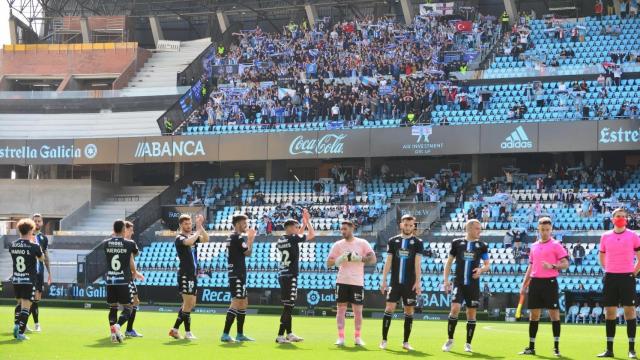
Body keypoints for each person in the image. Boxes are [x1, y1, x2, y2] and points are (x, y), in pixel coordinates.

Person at [518, 217, 569, 356]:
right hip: (535, 283)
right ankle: (531, 347)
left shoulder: (556, 245)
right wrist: (524, 284)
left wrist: (552, 266)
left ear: (551, 230)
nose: (545, 232)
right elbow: (531, 266)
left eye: (547, 230)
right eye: (542, 230)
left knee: (554, 315)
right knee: (533, 316)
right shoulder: (534, 246)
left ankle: (556, 348)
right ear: (538, 229)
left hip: (550, 282)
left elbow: (565, 264)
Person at [442, 219, 491, 353]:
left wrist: (481, 270)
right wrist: (446, 280)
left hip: (473, 285)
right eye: (477, 228)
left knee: (471, 313)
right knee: (455, 308)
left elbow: (487, 265)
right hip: (459, 283)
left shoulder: (482, 245)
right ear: (469, 229)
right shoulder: (457, 243)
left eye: (479, 228)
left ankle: (468, 344)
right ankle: (450, 339)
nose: (479, 231)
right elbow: (449, 262)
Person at [597, 208, 640, 358]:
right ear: (612, 218)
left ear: (627, 219)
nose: (621, 218)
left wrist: (632, 274)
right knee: (610, 313)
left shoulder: (633, 236)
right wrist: (608, 269)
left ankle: (631, 349)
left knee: (629, 312)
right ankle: (609, 349)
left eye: (623, 216)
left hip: (627, 278)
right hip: (611, 277)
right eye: (618, 216)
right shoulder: (605, 236)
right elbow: (601, 256)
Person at [327, 220, 376, 346]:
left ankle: (357, 337)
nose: (343, 231)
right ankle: (341, 338)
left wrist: (360, 258)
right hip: (342, 281)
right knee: (341, 310)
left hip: (357, 282)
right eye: (341, 229)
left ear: (352, 228)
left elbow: (373, 259)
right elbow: (329, 263)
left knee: (358, 311)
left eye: (345, 229)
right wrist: (339, 259)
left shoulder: (362, 243)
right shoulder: (338, 245)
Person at [379, 215, 424, 351]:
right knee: (389, 309)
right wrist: (384, 280)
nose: (408, 227)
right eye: (406, 225)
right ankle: (384, 340)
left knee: (409, 311)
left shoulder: (418, 242)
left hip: (409, 284)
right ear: (401, 225)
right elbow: (388, 261)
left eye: (411, 225)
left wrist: (418, 282)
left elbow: (417, 263)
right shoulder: (393, 241)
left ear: (414, 226)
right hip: (395, 283)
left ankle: (405, 342)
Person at [275, 210, 315, 344]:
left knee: (288, 305)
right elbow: (311, 235)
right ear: (290, 228)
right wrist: (307, 222)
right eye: (296, 227)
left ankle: (289, 334)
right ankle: (280, 335)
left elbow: (297, 236)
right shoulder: (292, 238)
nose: (298, 229)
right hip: (290, 275)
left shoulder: (281, 239)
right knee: (288, 306)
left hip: (283, 274)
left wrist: (302, 224)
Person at [169, 214, 209, 340]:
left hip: (193, 274)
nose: (188, 225)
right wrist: (197, 231)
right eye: (186, 224)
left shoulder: (192, 236)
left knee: (190, 304)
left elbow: (206, 239)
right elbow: (189, 241)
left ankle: (176, 330)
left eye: (190, 223)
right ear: (181, 225)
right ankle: (186, 332)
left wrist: (200, 226)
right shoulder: (179, 238)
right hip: (185, 274)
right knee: (188, 304)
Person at [103, 219, 143, 343]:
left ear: (113, 230)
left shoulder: (105, 243)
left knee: (113, 307)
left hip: (110, 280)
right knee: (128, 308)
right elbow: (135, 253)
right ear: (124, 230)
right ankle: (118, 326)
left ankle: (113, 334)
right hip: (123, 280)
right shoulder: (130, 244)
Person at [221, 214, 257, 342]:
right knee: (236, 302)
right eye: (243, 223)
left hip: (237, 273)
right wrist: (251, 239)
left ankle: (240, 334)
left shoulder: (232, 236)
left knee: (243, 302)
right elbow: (248, 252)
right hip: (237, 274)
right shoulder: (237, 237)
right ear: (237, 224)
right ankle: (225, 334)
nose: (245, 225)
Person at [10, 218, 44, 340]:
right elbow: (41, 258)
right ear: (30, 230)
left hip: (16, 279)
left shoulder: (13, 245)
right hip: (28, 280)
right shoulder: (34, 246)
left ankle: (16, 324)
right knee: (26, 306)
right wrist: (36, 244)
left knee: (19, 304)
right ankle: (20, 332)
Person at [30, 213, 51, 332]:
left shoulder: (44, 238)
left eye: (39, 221)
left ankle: (36, 324)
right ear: (32, 222)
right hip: (29, 272)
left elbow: (46, 256)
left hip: (40, 272)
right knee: (27, 299)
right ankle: (25, 324)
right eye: (35, 221)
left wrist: (49, 273)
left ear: (42, 223)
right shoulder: (28, 236)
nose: (37, 223)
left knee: (37, 298)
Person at [123, 221, 143, 338]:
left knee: (134, 302)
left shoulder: (115, 242)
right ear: (124, 230)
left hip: (121, 276)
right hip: (126, 278)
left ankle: (125, 328)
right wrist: (134, 272)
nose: (133, 232)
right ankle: (122, 328)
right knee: (131, 303)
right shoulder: (129, 243)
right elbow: (133, 256)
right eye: (131, 230)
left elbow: (131, 259)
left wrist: (135, 272)